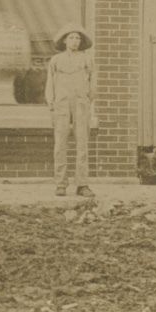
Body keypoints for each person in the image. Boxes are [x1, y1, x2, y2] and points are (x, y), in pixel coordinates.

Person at [46, 23, 94, 197]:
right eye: (71, 38)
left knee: (82, 144)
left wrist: (88, 99)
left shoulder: (86, 59)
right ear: (65, 41)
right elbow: (50, 83)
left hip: (80, 103)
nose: (75, 41)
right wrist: (51, 102)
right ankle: (61, 183)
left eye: (78, 38)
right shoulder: (56, 60)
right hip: (61, 103)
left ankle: (82, 184)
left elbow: (92, 82)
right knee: (60, 144)